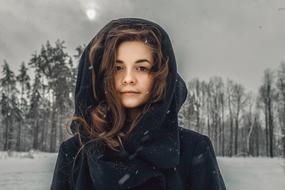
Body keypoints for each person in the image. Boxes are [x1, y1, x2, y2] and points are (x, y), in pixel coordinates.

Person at [50, 18, 226, 190]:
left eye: (141, 68)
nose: (128, 79)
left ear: (160, 76)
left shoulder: (192, 148)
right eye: (118, 68)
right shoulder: (75, 152)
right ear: (103, 75)